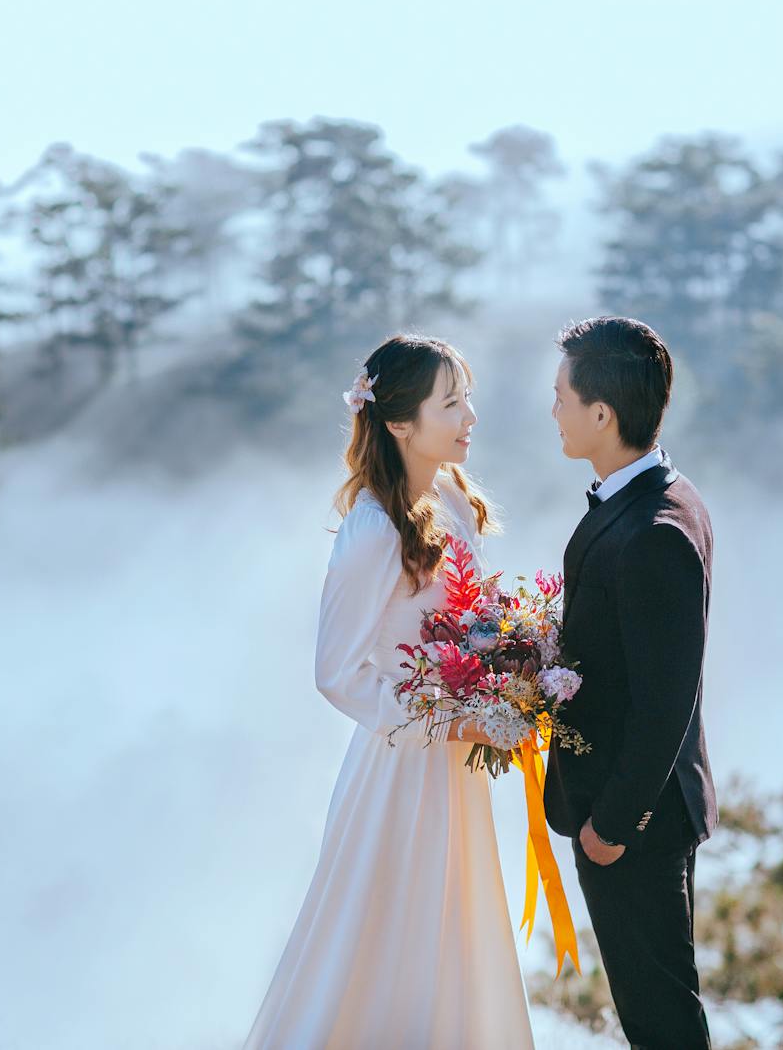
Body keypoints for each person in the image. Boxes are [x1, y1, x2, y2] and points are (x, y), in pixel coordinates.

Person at [242, 333, 536, 1049]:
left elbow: (469, 623)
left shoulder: (455, 503)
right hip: (400, 766)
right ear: (400, 421)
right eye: (452, 402)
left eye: (468, 397)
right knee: (384, 933)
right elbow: (337, 670)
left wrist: (512, 661)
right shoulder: (372, 528)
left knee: (455, 930)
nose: (470, 415)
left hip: (457, 769)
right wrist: (446, 722)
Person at [543, 315, 718, 1050]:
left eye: (561, 396)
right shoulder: (648, 497)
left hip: (636, 822)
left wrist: (611, 828)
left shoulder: (656, 532)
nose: (553, 409)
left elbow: (665, 702)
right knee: (650, 1015)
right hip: (624, 813)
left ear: (602, 413)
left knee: (661, 1020)